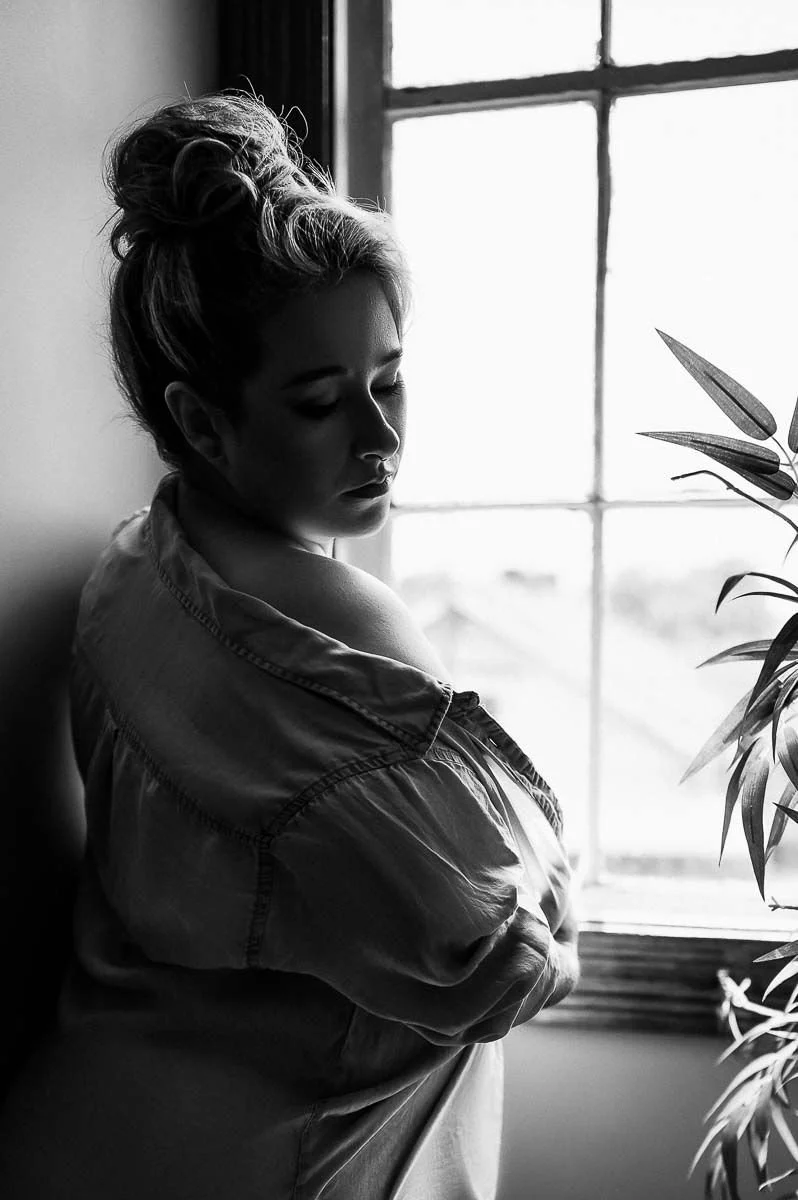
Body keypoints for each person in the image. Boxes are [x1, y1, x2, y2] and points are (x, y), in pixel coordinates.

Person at [0, 91, 580, 1200]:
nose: (382, 436)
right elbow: (506, 959)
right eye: (322, 401)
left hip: (81, 1132)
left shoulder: (140, 565)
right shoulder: (333, 628)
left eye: (389, 377)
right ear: (205, 422)